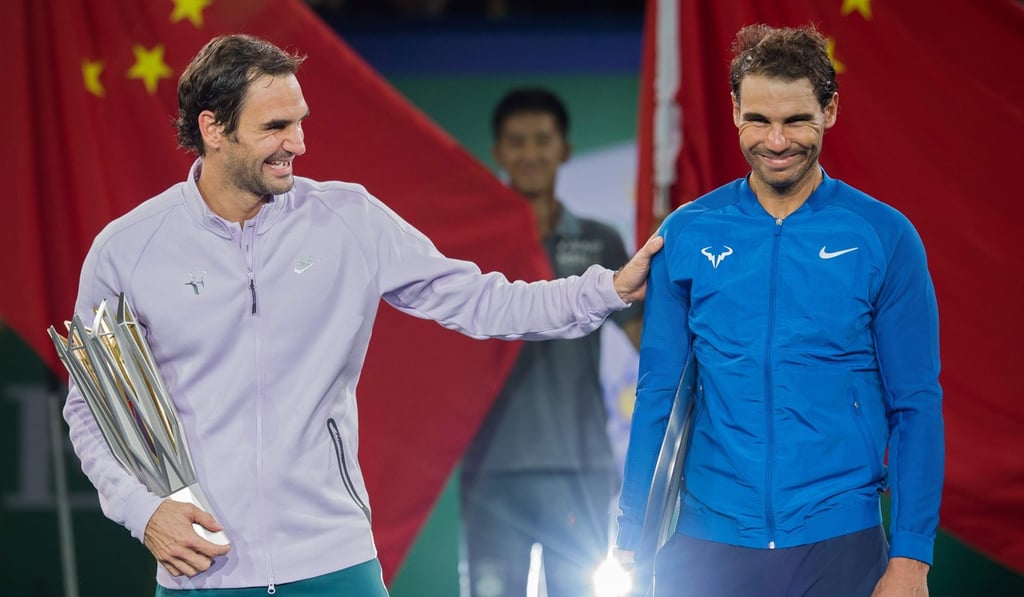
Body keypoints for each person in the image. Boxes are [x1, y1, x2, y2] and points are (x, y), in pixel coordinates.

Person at [62, 34, 661, 595]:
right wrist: (143, 514)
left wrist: (607, 289)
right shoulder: (128, 248)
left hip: (334, 562)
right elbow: (91, 409)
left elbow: (484, 300)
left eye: (300, 122)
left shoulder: (348, 219)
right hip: (202, 569)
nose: (298, 143)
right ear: (213, 129)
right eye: (275, 127)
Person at [614, 23, 943, 597]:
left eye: (796, 120)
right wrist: (630, 539)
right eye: (759, 120)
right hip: (707, 542)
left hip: (840, 539)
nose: (776, 140)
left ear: (831, 110)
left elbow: (915, 404)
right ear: (735, 109)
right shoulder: (687, 233)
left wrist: (912, 554)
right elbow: (659, 397)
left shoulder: (884, 236)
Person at [458, 88, 643, 597]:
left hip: (579, 468)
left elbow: (646, 341)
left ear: (564, 149)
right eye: (517, 142)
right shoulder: (471, 245)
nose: (531, 153)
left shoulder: (600, 241)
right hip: (492, 469)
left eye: (543, 140)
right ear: (497, 152)